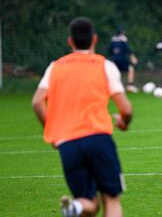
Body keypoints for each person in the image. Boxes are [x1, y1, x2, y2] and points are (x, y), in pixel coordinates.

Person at [32, 17, 132, 217]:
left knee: (89, 203)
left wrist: (52, 130)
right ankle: (76, 208)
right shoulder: (104, 66)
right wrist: (123, 122)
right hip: (98, 138)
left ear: (70, 41)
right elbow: (127, 110)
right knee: (111, 198)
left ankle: (75, 207)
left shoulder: (55, 66)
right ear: (94, 39)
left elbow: (37, 102)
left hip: (68, 143)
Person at [109, 25, 139, 93]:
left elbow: (110, 51)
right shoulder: (123, 38)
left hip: (114, 59)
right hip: (122, 59)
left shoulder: (113, 39)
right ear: (122, 31)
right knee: (131, 69)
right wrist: (133, 58)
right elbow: (128, 50)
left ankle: (114, 88)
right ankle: (130, 86)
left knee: (116, 72)